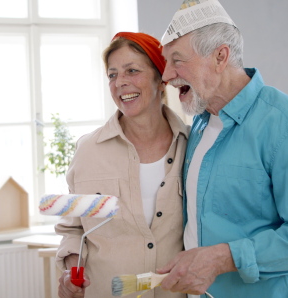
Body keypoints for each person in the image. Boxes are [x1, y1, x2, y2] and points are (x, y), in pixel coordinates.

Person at [156, 0, 288, 298]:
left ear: (220, 56)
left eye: (177, 60)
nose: (167, 75)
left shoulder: (286, 126)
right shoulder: (198, 126)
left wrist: (220, 259)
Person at [55, 32, 189, 298]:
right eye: (113, 75)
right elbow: (73, 229)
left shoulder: (191, 146)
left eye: (132, 71)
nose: (121, 83)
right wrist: (72, 271)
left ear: (160, 79)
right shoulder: (88, 151)